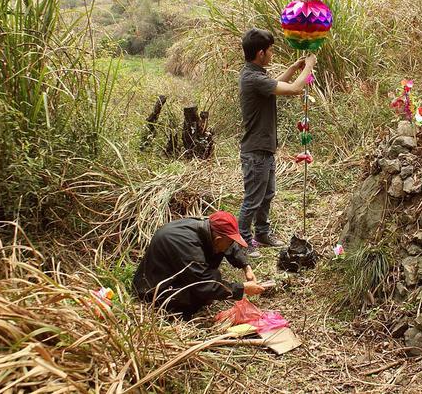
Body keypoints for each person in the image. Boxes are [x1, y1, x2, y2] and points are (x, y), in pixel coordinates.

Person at [238, 27, 317, 256]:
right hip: (256, 151)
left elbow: (276, 85)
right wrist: (309, 65)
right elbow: (294, 89)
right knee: (253, 199)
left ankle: (262, 233)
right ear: (261, 53)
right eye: (270, 50)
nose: (272, 54)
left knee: (267, 194)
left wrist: (294, 68)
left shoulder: (255, 75)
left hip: (264, 149)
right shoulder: (253, 78)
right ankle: (243, 240)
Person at [132, 210, 265, 319]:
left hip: (177, 272)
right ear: (218, 239)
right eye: (229, 241)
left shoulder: (208, 227)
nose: (231, 244)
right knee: (202, 294)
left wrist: (245, 266)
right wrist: (242, 288)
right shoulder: (186, 243)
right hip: (154, 288)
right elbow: (204, 284)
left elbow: (229, 245)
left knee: (213, 274)